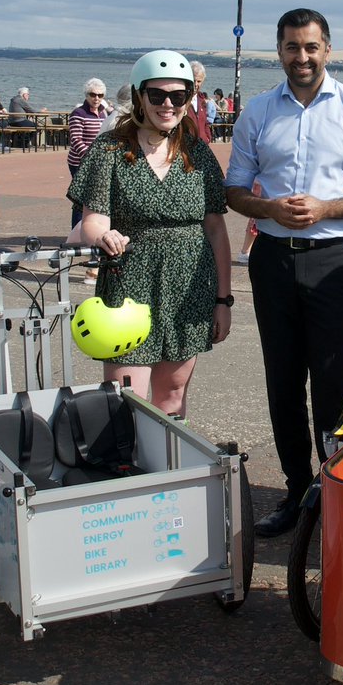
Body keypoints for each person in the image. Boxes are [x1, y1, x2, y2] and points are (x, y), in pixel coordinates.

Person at [225, 9, 343, 537]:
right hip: (272, 259)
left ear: (328, 49)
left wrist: (327, 209)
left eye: (311, 47)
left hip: (332, 259)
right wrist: (269, 210)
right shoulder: (257, 111)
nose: (302, 57)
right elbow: (234, 189)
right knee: (282, 380)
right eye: (292, 48)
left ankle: (335, 496)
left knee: (332, 381)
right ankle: (297, 493)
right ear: (279, 50)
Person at [70, 50, 231, 417]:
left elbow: (216, 231)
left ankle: (171, 470)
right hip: (130, 283)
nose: (168, 104)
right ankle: (131, 471)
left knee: (173, 394)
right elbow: (93, 218)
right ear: (140, 96)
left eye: (178, 96)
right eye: (157, 95)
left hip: (190, 285)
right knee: (128, 397)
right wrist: (102, 236)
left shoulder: (198, 153)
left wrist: (223, 301)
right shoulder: (110, 149)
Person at [68, 78, 109, 285]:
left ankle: (84, 232)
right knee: (81, 200)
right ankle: (76, 234)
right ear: (86, 95)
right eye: (93, 95)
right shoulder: (78, 114)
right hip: (80, 163)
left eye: (100, 95)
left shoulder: (104, 112)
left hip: (98, 163)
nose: (96, 99)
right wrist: (91, 157)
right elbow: (75, 140)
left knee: (93, 204)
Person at [187, 61, 213, 144]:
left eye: (199, 81)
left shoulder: (201, 100)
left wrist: (207, 137)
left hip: (202, 146)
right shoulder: (181, 100)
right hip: (186, 147)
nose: (195, 84)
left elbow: (205, 122)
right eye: (193, 80)